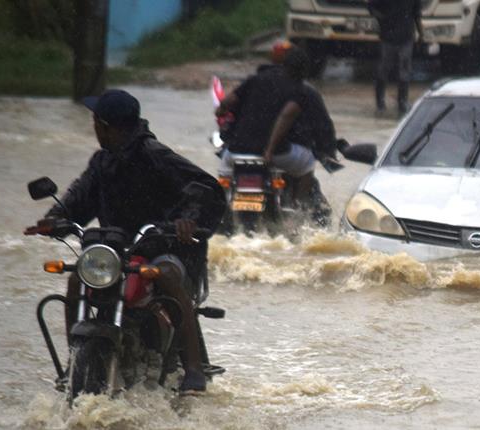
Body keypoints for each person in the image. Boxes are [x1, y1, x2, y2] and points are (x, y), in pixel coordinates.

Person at [24, 89, 226, 393]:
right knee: (77, 279)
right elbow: (80, 196)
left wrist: (189, 219)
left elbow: (206, 188)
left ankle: (194, 371)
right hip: (114, 252)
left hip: (161, 248)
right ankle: (74, 362)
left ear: (107, 126)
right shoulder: (102, 162)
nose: (94, 128)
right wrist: (55, 218)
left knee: (168, 275)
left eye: (96, 122)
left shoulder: (155, 155)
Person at [214, 45, 338, 210]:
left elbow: (227, 103)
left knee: (224, 172)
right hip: (275, 153)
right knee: (308, 163)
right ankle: (298, 208)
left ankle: (221, 209)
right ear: (304, 70)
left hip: (237, 150)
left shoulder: (254, 80)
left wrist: (220, 111)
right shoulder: (301, 90)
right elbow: (289, 117)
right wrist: (269, 150)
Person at [368, 0, 424, 116]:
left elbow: (417, 14)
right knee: (387, 68)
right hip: (391, 35)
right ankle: (384, 102)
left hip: (401, 36)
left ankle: (399, 101)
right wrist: (382, 19)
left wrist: (421, 34)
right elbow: (372, 6)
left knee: (399, 69)